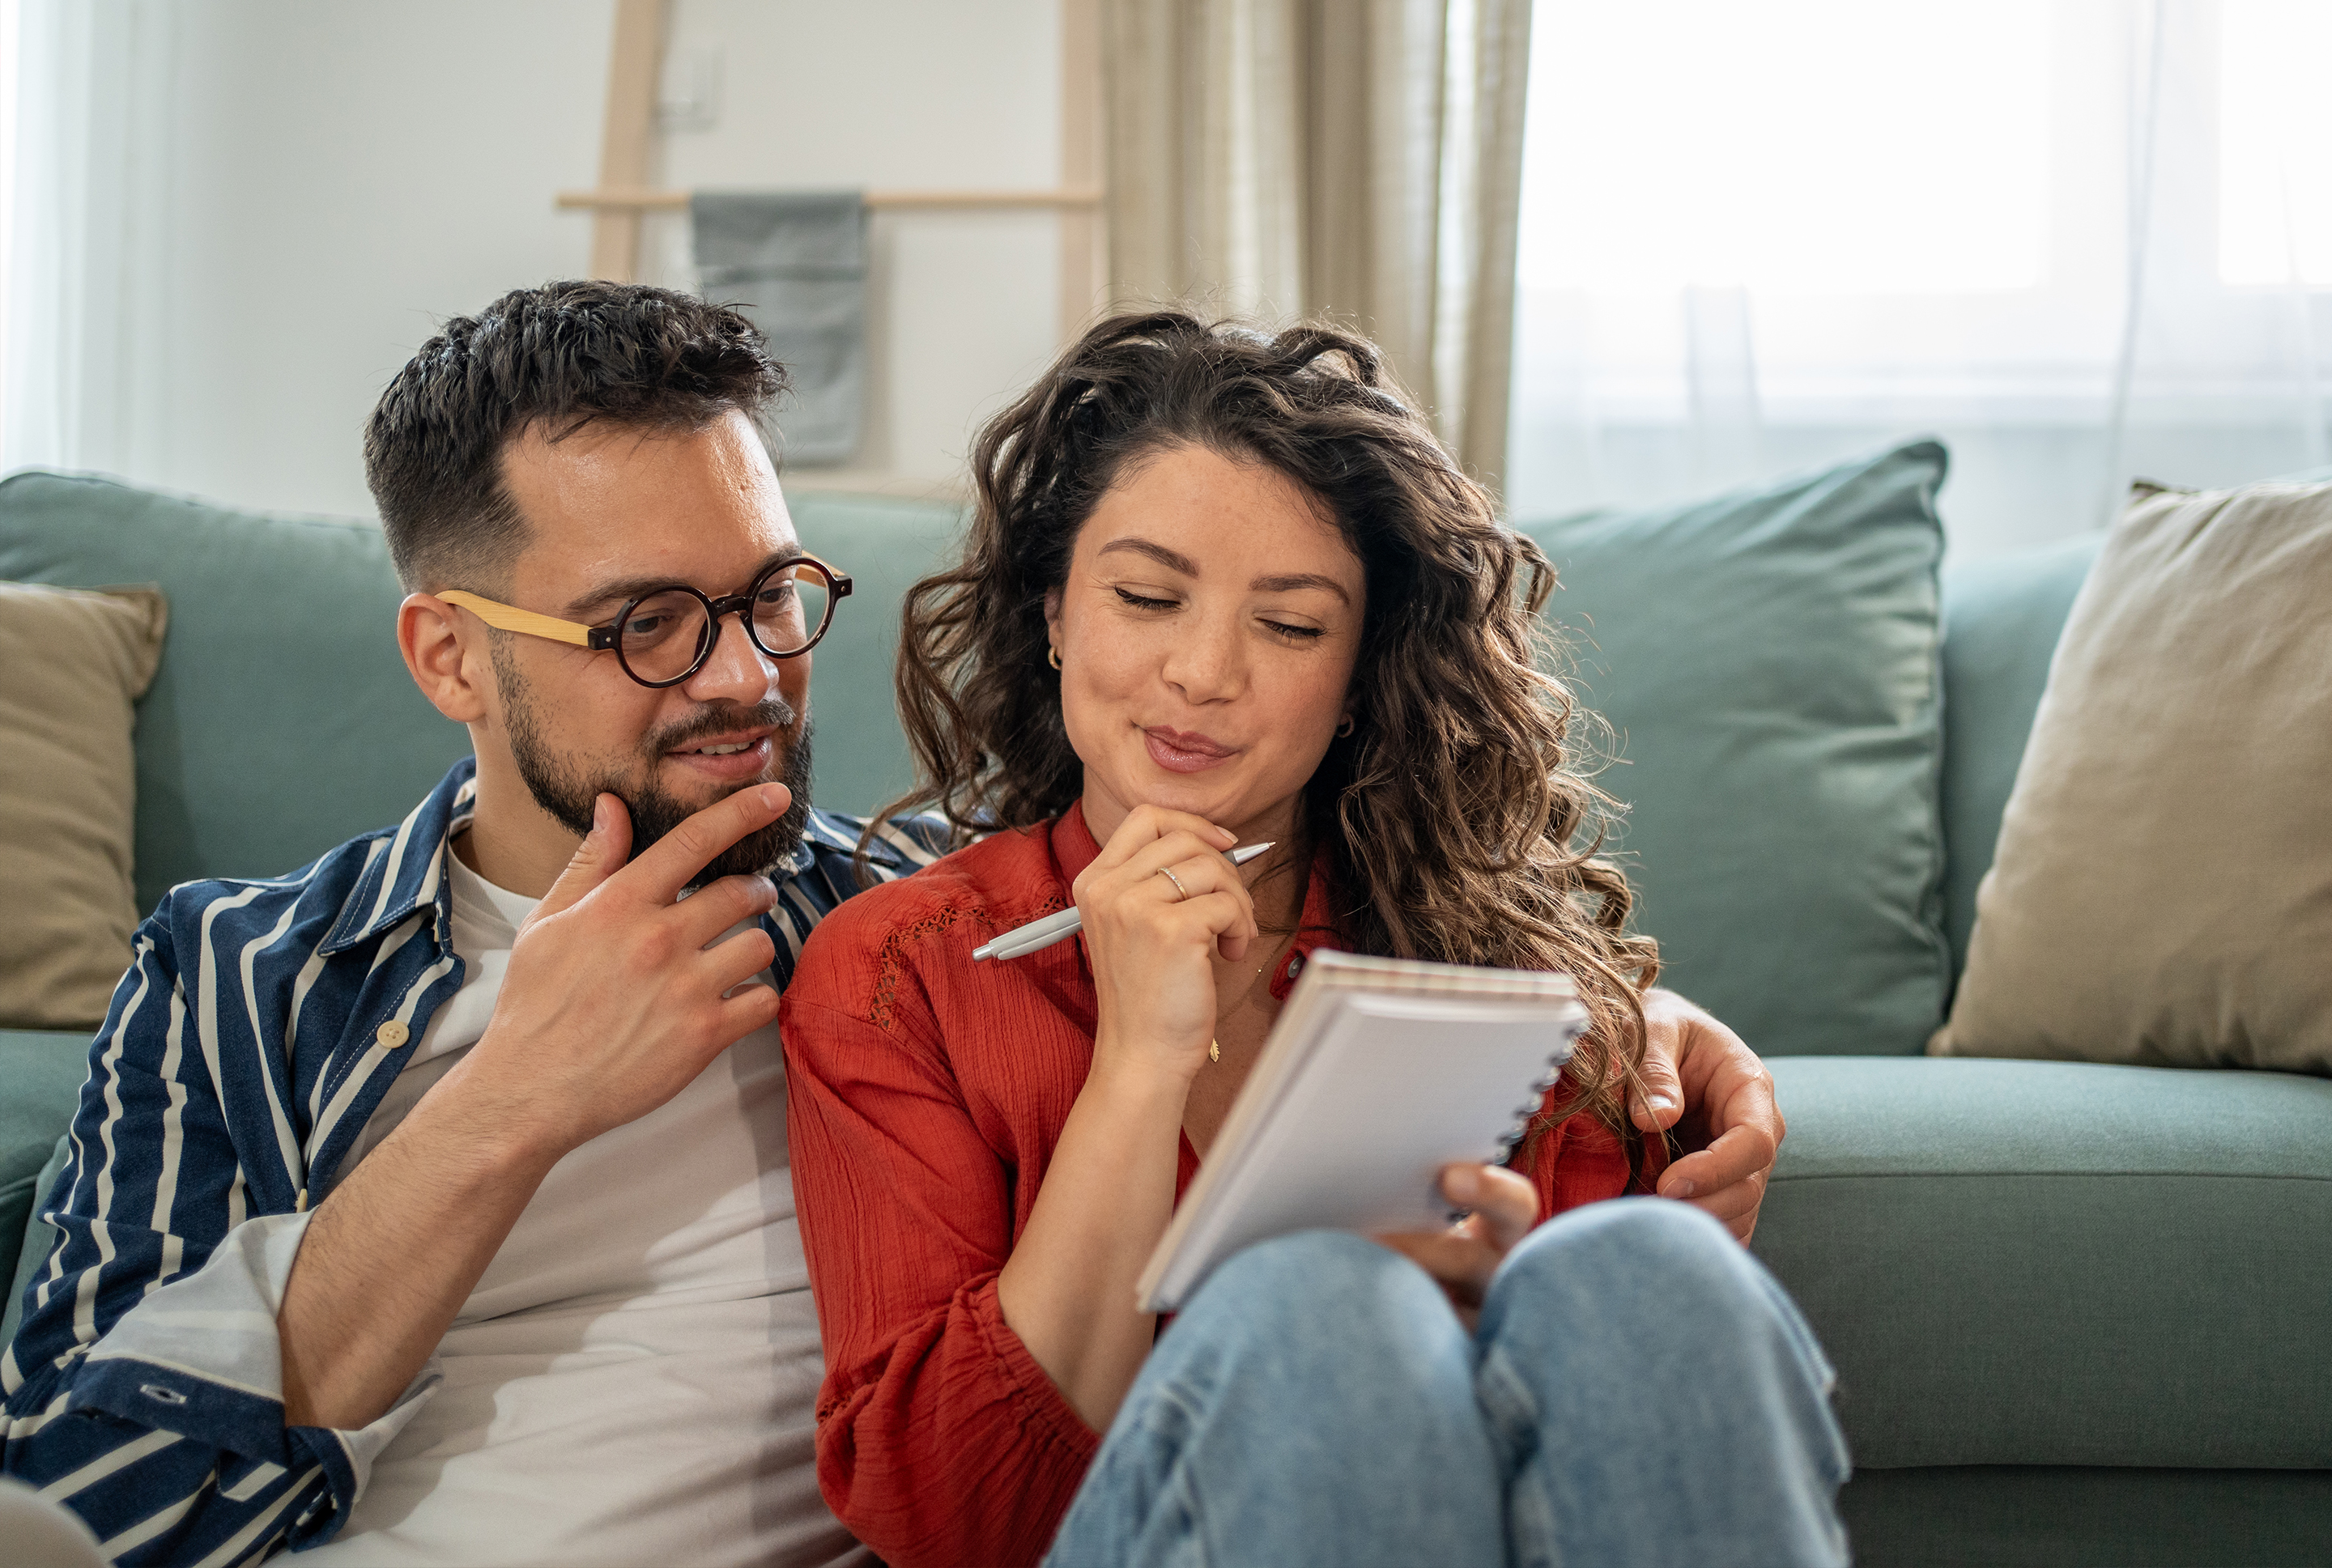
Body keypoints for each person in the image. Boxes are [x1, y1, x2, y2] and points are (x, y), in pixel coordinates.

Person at [780, 312, 1846, 1568]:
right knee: (1317, 1305)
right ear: (1056, 610)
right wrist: (1137, 1060)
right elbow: (953, 1515)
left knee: (1649, 1267)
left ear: (1357, 673)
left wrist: (1474, 1315)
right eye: (1145, 596)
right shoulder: (900, 970)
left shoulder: (1477, 963)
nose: (1204, 670)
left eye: (1290, 626)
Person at [0, 282, 948, 1566]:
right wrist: (515, 1097)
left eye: (773, 593)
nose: (745, 677)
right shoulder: (235, 977)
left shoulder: (915, 920)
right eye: (646, 624)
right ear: (450, 658)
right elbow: (69, 1507)